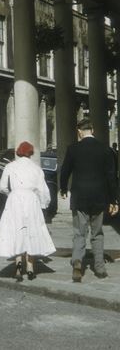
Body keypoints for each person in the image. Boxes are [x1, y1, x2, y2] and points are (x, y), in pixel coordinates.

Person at [60, 118, 119, 282]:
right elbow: (111, 178)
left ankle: (77, 262)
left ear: (79, 131)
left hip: (80, 198)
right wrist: (114, 200)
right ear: (92, 130)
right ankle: (100, 268)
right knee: (97, 233)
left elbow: (65, 171)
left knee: (79, 232)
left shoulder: (73, 149)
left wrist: (63, 188)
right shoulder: (105, 150)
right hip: (100, 198)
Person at [0, 141, 55, 281]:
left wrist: (11, 194)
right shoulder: (36, 168)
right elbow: (43, 190)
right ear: (31, 153)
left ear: (18, 153)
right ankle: (31, 268)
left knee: (17, 231)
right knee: (31, 231)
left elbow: (2, 186)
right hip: (31, 199)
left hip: (15, 200)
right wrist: (44, 204)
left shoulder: (10, 166)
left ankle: (19, 265)